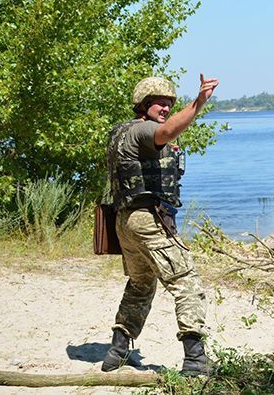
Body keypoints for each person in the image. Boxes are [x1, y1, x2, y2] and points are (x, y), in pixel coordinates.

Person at [102, 74, 219, 375]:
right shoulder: (144, 130)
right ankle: (195, 361)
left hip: (125, 221)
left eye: (169, 104)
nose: (165, 108)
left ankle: (116, 352)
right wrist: (199, 102)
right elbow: (165, 132)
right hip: (147, 220)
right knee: (186, 283)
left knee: (141, 284)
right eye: (159, 103)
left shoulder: (121, 131)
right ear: (143, 105)